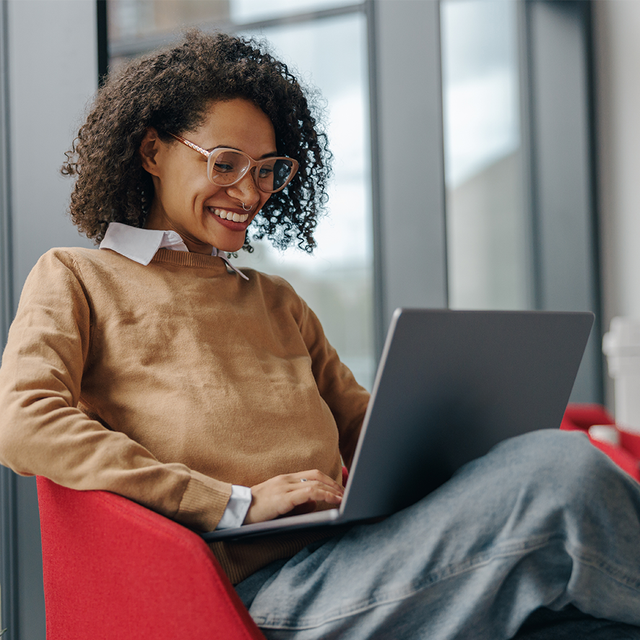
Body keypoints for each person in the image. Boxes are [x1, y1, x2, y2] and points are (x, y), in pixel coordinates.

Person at [0, 30, 639, 640]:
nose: (248, 192)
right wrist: (229, 503)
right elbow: (23, 421)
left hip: (357, 557)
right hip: (252, 595)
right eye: (225, 163)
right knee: (564, 474)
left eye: (267, 169)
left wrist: (478, 445)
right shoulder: (77, 278)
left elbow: (374, 430)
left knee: (581, 611)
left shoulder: (276, 301)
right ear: (151, 152)